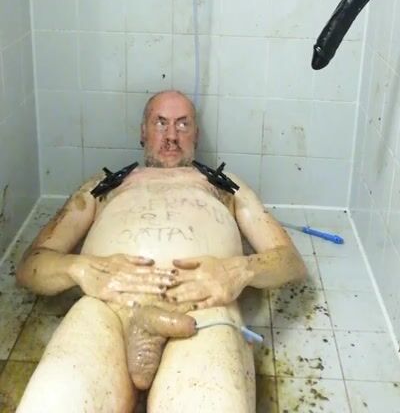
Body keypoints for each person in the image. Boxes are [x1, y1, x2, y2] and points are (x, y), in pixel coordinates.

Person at [15, 90, 306, 413]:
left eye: (182, 124)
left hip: (203, 309)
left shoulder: (225, 186)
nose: (171, 136)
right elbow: (31, 265)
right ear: (143, 131)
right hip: (106, 309)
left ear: (196, 134)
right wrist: (79, 269)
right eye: (160, 123)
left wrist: (239, 271)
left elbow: (290, 261)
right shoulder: (104, 185)